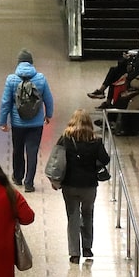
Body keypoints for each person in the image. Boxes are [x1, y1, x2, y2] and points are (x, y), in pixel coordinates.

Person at [54, 109, 109, 263]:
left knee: (72, 217)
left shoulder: (65, 139)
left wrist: (55, 179)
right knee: (88, 214)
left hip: (70, 184)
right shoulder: (95, 140)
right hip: (89, 185)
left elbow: (56, 159)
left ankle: (74, 253)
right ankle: (87, 248)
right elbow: (105, 159)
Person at [0, 49, 54, 192]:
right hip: (36, 124)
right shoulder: (41, 78)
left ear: (18, 63)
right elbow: (48, 98)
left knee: (18, 150)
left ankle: (18, 177)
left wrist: (3, 121)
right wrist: (49, 115)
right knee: (32, 151)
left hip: (18, 123)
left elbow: (6, 102)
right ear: (31, 63)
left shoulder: (11, 79)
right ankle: (29, 183)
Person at [87, 24, 139, 101]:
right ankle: (103, 94)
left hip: (136, 74)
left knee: (115, 74)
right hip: (134, 68)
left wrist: (128, 74)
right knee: (114, 70)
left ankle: (103, 94)